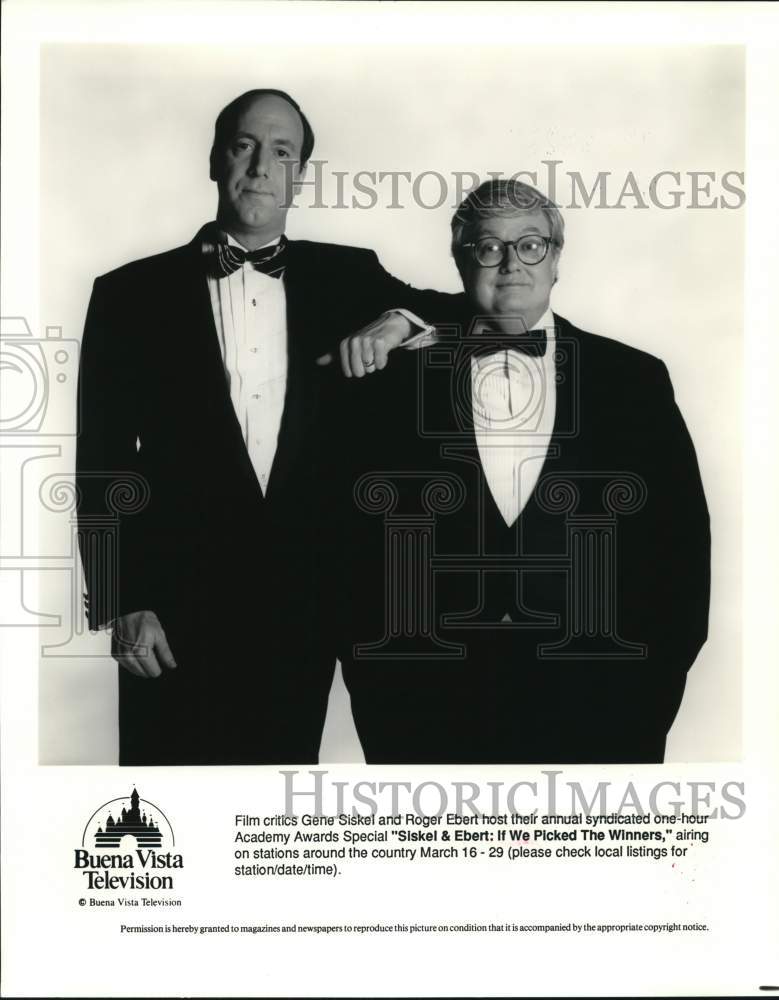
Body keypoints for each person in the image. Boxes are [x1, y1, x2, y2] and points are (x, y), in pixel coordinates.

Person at [76, 88, 457, 765]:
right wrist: (121, 599)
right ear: (216, 160)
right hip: (171, 606)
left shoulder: (349, 275)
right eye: (244, 145)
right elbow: (102, 457)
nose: (259, 166)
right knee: (171, 808)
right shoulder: (129, 293)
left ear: (298, 175)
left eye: (281, 152)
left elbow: (458, 310)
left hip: (307, 604)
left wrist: (399, 321)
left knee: (269, 815)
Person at [333, 178, 711, 764]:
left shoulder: (634, 380)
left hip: (601, 712)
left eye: (531, 245)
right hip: (425, 719)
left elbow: (680, 553)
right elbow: (349, 551)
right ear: (461, 261)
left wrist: (645, 706)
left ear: (557, 259)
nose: (511, 263)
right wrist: (383, 699)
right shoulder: (389, 387)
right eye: (488, 246)